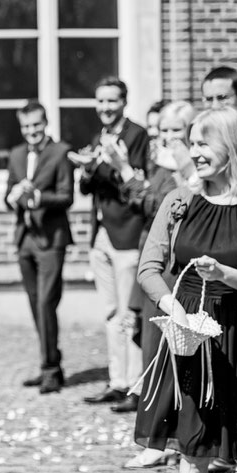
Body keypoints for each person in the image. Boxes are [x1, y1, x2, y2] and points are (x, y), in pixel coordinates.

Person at [133, 107, 237, 473]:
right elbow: (149, 267)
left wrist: (225, 274)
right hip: (191, 338)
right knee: (192, 445)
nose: (194, 153)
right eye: (192, 143)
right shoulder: (179, 200)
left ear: (232, 146)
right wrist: (174, 309)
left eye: (204, 143)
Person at [111, 100, 196, 468]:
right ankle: (158, 438)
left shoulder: (187, 167)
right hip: (156, 261)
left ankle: (180, 438)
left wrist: (134, 174)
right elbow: (146, 203)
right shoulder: (163, 164)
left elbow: (159, 202)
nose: (167, 138)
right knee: (152, 352)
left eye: (176, 131)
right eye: (163, 131)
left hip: (181, 267)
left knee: (177, 356)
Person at [70, 76, 148, 409]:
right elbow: (88, 189)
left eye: (111, 101)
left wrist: (115, 165)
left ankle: (136, 385)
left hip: (128, 232)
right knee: (110, 311)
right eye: (100, 101)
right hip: (100, 232)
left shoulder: (138, 135)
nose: (104, 107)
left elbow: (139, 186)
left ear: (124, 102)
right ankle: (118, 381)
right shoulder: (98, 137)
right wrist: (88, 170)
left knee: (130, 313)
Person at [5, 100, 73, 394]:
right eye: (26, 126)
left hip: (51, 238)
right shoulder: (16, 154)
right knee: (36, 304)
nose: (31, 131)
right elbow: (9, 194)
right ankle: (51, 362)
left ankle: (50, 369)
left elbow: (66, 197)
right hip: (25, 238)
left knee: (46, 302)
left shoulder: (61, 152)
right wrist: (14, 197)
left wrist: (36, 197)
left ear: (46, 123)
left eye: (36, 125)